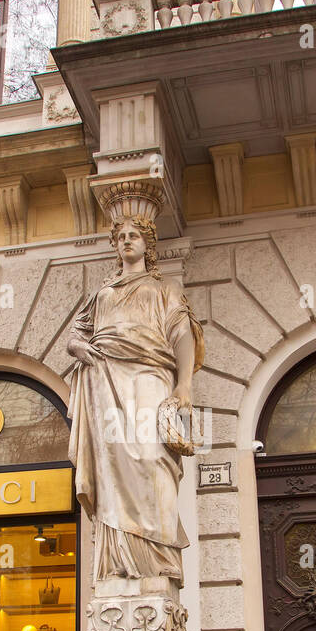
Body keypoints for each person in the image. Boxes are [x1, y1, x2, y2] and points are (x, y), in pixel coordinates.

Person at [66, 215, 205, 585]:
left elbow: (182, 335)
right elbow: (75, 336)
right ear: (116, 246)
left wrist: (185, 386)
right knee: (111, 463)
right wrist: (80, 347)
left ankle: (159, 554)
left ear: (148, 244)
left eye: (134, 236)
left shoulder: (165, 288)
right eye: (121, 236)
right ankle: (119, 561)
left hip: (150, 375)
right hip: (105, 375)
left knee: (152, 457)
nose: (127, 241)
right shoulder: (102, 294)